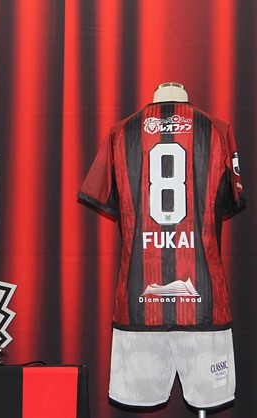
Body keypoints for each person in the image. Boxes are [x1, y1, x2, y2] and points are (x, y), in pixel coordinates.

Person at [78, 82, 245, 410]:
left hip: (138, 302)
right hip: (205, 303)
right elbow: (230, 202)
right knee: (207, 402)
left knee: (136, 401)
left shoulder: (120, 133)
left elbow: (102, 198)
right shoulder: (217, 130)